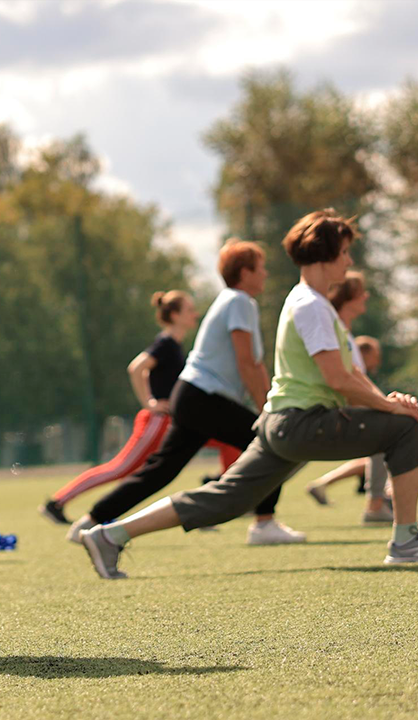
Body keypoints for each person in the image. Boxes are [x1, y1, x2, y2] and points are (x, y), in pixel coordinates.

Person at [80, 210, 418, 580]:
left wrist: (390, 401)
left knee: (225, 497)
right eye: (345, 253)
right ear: (326, 254)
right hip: (301, 422)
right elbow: (337, 377)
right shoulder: (311, 306)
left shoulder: (314, 303)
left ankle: (109, 536)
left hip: (283, 422)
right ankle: (406, 544)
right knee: (407, 431)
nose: (349, 261)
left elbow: (352, 373)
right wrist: (389, 408)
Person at [67, 239, 306, 546]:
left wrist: (267, 402)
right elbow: (246, 361)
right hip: (202, 397)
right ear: (244, 273)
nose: (265, 274)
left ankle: (90, 521)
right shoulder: (239, 301)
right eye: (261, 269)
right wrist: (266, 410)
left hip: (192, 396)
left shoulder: (235, 301)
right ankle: (264, 523)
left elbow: (254, 363)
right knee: (265, 442)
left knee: (160, 471)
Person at [39, 291, 241, 528]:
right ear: (174, 315)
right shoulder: (165, 343)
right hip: (159, 422)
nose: (195, 314)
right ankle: (57, 502)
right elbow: (136, 368)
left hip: (179, 420)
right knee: (121, 468)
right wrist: (150, 403)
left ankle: (218, 494)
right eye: (189, 310)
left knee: (229, 441)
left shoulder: (175, 345)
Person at [305, 272, 392, 523]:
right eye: (360, 292)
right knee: (391, 429)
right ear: (347, 298)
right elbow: (344, 383)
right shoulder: (335, 333)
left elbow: (358, 380)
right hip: (322, 414)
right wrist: (386, 406)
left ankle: (379, 500)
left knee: (390, 427)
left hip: (331, 413)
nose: (366, 296)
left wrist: (387, 403)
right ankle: (378, 503)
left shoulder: (345, 334)